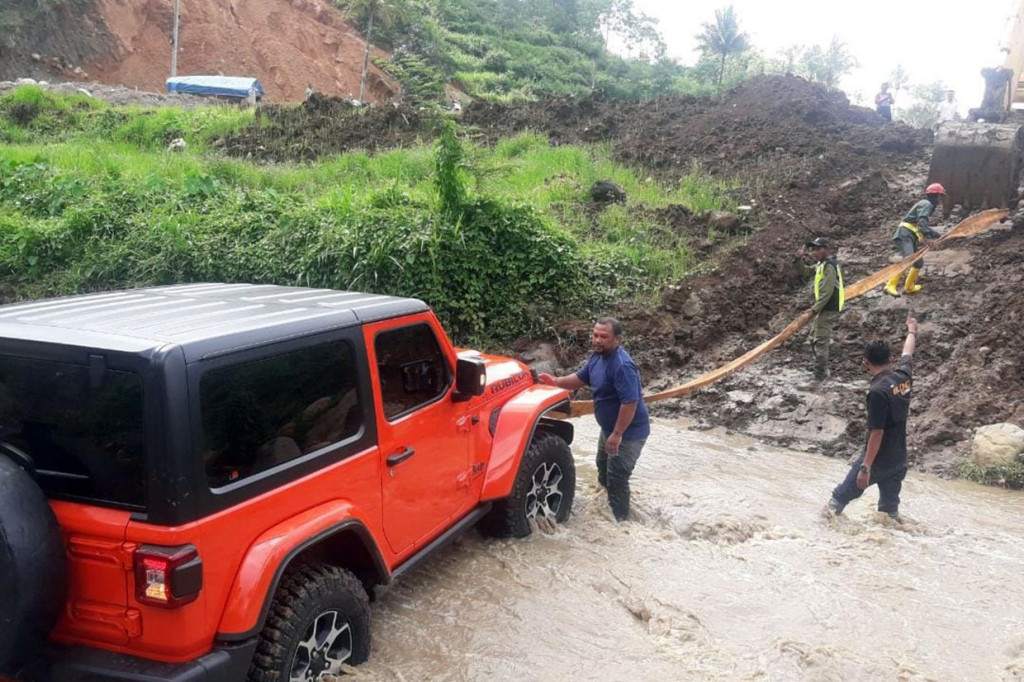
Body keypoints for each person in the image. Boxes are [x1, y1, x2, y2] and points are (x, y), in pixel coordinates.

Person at [539, 318, 650, 522]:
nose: (597, 340)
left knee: (617, 477)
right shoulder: (598, 357)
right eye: (595, 335)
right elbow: (580, 378)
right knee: (602, 466)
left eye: (603, 337)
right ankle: (603, 507)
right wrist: (555, 383)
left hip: (628, 433)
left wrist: (617, 435)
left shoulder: (622, 366)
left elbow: (630, 403)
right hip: (609, 429)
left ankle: (621, 522)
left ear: (617, 339)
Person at [827, 316, 919, 523]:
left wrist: (865, 467)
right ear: (890, 359)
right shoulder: (903, 377)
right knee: (889, 514)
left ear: (865, 362)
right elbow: (908, 353)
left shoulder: (877, 392)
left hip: (878, 459)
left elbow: (877, 432)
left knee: (836, 502)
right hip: (898, 459)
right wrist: (912, 330)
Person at [796, 237, 845, 382]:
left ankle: (820, 378)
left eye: (819, 249)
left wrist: (813, 310)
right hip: (823, 308)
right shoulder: (821, 265)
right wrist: (798, 260)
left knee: (820, 342)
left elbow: (827, 292)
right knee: (813, 339)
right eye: (813, 249)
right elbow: (805, 272)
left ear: (827, 249)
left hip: (828, 308)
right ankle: (823, 371)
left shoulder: (829, 266)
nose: (815, 252)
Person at [885, 184, 945, 297]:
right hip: (905, 234)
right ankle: (890, 285)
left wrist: (927, 240)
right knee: (908, 259)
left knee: (918, 262)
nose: (940, 200)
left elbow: (918, 226)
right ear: (935, 196)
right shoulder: (926, 204)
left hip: (911, 235)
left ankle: (909, 287)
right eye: (940, 196)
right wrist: (934, 235)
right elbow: (922, 225)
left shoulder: (924, 204)